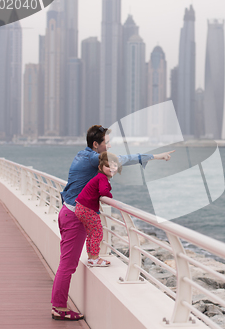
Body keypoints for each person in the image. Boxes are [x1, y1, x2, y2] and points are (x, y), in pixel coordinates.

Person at [51, 125, 174, 321]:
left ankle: (61, 301)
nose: (110, 147)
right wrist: (156, 156)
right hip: (74, 216)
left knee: (68, 263)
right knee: (67, 265)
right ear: (96, 144)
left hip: (69, 211)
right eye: (107, 144)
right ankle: (58, 308)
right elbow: (123, 160)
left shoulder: (82, 155)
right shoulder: (94, 159)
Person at [75, 152, 120, 267]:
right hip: (87, 208)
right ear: (100, 167)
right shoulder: (102, 177)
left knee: (91, 233)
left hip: (81, 207)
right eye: (108, 166)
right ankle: (95, 258)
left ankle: (91, 257)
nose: (112, 168)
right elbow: (104, 192)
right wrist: (110, 197)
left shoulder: (100, 177)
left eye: (114, 166)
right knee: (97, 232)